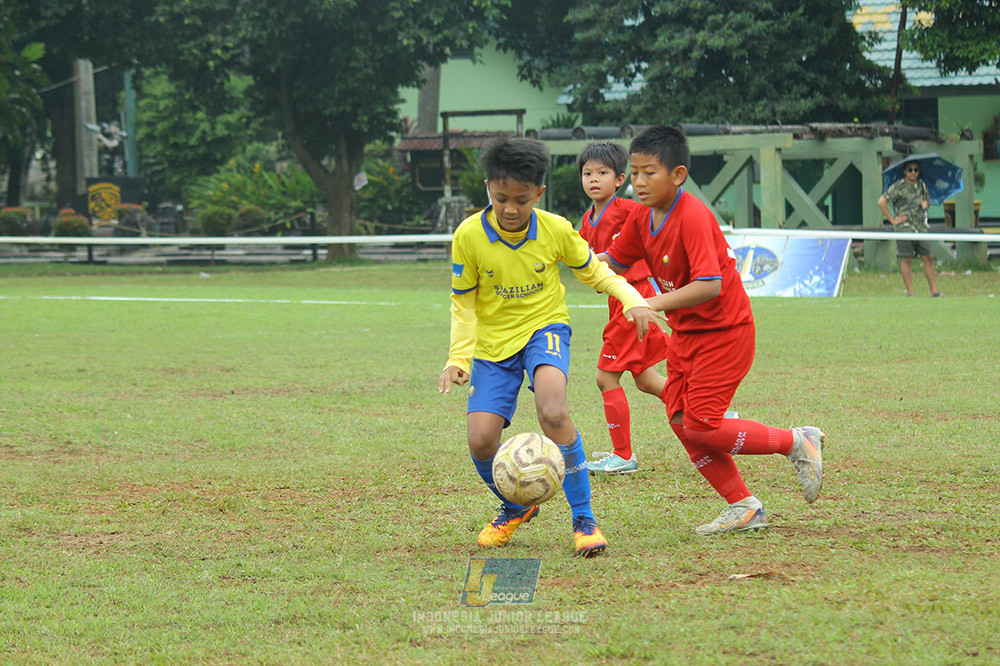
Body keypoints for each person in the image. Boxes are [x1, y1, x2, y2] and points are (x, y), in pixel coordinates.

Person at [437, 135, 662, 557]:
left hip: (546, 329)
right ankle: (514, 505)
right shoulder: (468, 236)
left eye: (521, 200)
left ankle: (584, 520)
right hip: (493, 345)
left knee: (553, 410)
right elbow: (463, 303)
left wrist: (634, 300)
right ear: (487, 186)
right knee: (480, 440)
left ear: (538, 193)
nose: (509, 208)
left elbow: (597, 272)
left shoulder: (556, 229)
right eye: (501, 197)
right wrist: (458, 358)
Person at [598, 125, 826, 535]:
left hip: (726, 332)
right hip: (687, 335)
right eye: (634, 173)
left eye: (649, 172)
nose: (638, 182)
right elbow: (610, 262)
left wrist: (647, 302)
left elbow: (709, 285)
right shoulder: (642, 219)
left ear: (678, 175)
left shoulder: (693, 217)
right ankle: (744, 506)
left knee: (702, 424)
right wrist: (557, 253)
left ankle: (797, 441)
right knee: (681, 420)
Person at [576, 142, 670, 475]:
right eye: (587, 173)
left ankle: (623, 455)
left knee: (605, 377)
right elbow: (584, 262)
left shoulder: (630, 209)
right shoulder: (586, 221)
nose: (594, 179)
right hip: (618, 301)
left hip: (635, 299)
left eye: (602, 173)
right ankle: (707, 413)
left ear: (618, 180)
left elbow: (658, 221)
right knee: (645, 379)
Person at [877, 160, 943, 298]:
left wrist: (926, 204)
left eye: (916, 170)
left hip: (921, 227)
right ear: (905, 171)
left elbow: (927, 203)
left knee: (928, 257)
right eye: (910, 170)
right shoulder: (898, 186)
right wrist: (893, 220)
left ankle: (934, 290)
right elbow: (882, 202)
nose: (913, 173)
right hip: (905, 228)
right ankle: (910, 291)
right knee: (906, 258)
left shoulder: (922, 185)